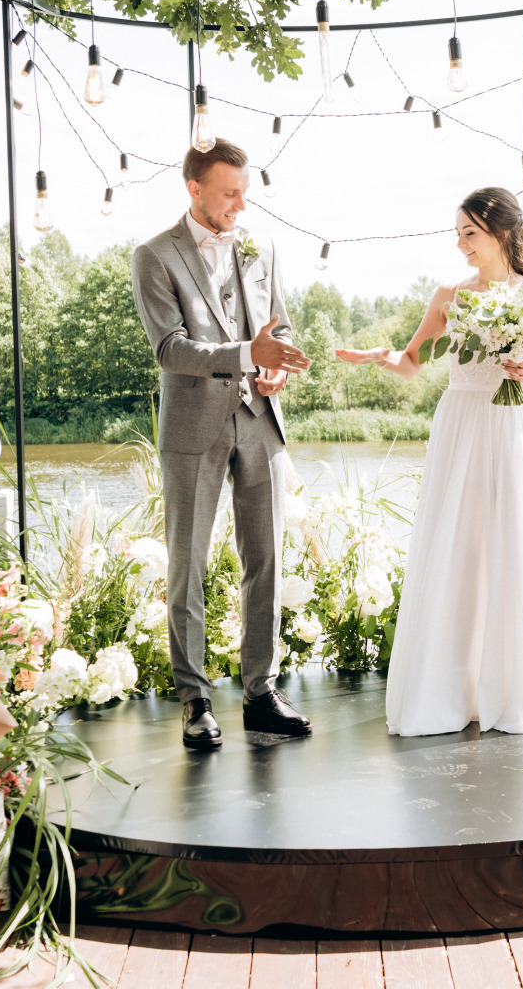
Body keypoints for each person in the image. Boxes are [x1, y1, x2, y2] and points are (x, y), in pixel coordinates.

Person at [337, 188, 523, 737]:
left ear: (503, 234)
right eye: (458, 234)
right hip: (460, 423)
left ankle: (510, 688)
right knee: (457, 543)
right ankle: (451, 687)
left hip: (510, 424)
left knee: (510, 541)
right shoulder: (448, 295)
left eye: (471, 232)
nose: (462, 243)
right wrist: (380, 357)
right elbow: (413, 362)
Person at [129, 138, 315, 750]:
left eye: (244, 191)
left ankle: (261, 692)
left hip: (260, 417)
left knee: (265, 559)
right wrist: (243, 354)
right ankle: (196, 699)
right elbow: (169, 349)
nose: (240, 203)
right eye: (229, 192)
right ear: (195, 189)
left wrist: (277, 366)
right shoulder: (154, 255)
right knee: (189, 564)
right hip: (193, 426)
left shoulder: (261, 249)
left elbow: (277, 326)